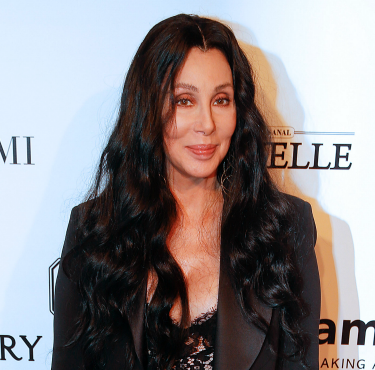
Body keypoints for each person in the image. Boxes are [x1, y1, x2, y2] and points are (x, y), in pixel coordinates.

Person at [52, 14, 320, 370]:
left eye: (221, 100)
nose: (206, 124)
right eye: (184, 100)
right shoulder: (95, 230)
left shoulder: (284, 229)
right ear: (148, 109)